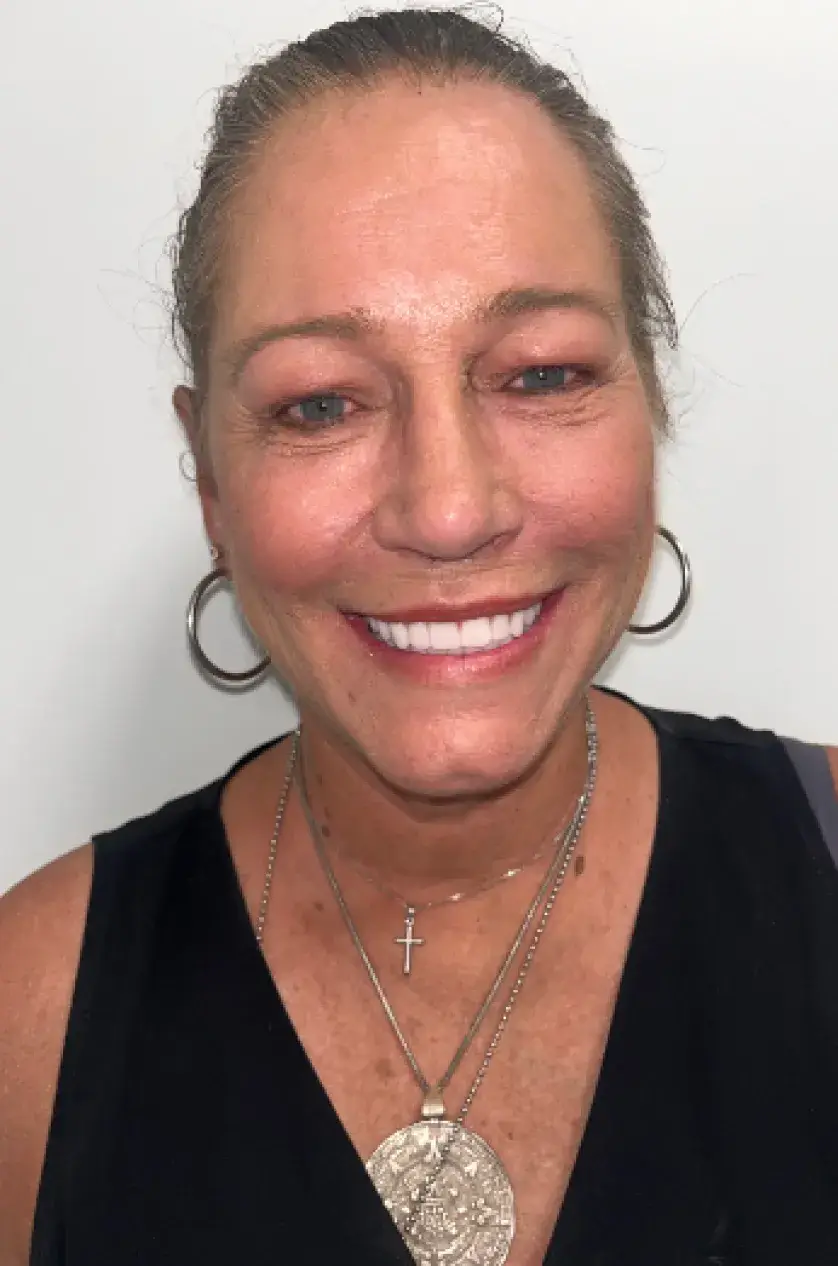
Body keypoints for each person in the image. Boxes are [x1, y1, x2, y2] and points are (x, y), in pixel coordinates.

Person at [1, 8, 837, 1265]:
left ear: (648, 409)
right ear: (209, 481)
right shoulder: (29, 1013)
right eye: (320, 402)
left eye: (542, 375)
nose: (448, 510)